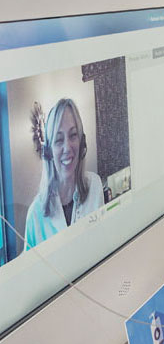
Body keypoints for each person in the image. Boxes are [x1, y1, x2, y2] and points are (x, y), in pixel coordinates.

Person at [25, 98, 103, 249]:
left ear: (82, 142)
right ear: (49, 152)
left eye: (73, 135)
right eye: (59, 140)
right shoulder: (35, 214)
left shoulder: (95, 185)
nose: (67, 148)